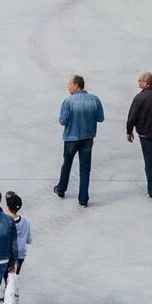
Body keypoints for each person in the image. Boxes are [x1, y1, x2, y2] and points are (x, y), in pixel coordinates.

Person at [55, 73, 104, 206]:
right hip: (88, 137)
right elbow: (100, 118)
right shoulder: (94, 99)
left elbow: (63, 120)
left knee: (67, 164)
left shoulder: (68, 101)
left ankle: (61, 189)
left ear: (76, 85)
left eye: (70, 84)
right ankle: (83, 199)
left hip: (71, 137)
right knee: (85, 168)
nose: (68, 87)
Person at [126, 69, 152, 199]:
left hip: (146, 136)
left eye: (140, 80)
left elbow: (132, 116)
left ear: (146, 83)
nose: (138, 82)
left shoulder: (140, 97)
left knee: (150, 163)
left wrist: (129, 131)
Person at [3, 190, 32, 304]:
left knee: (9, 282)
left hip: (8, 255)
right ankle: (10, 303)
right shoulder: (25, 221)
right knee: (13, 280)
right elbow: (29, 240)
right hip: (21, 255)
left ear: (7, 207)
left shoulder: (6, 221)